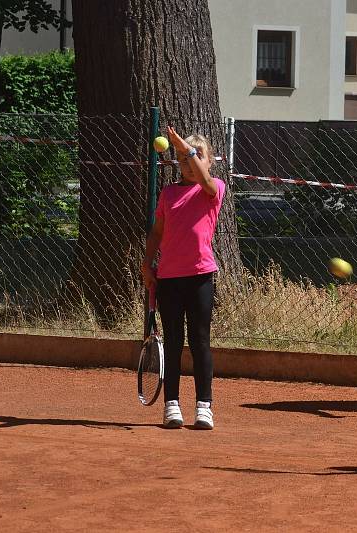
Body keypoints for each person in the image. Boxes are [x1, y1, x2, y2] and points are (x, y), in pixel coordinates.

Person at [141, 126, 226, 430]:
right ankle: (171, 405)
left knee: (200, 341)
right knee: (174, 342)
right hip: (169, 279)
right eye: (182, 158)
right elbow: (158, 232)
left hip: (201, 277)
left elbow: (204, 180)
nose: (189, 163)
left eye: (196, 156)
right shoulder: (168, 193)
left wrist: (184, 147)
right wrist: (147, 264)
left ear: (209, 160)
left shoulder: (213, 187)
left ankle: (204, 406)